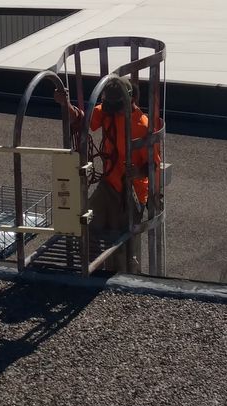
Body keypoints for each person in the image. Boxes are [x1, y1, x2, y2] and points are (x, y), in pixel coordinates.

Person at [55, 78, 158, 273]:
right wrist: (65, 104)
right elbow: (82, 121)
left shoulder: (142, 125)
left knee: (121, 242)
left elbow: (153, 165)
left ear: (130, 100)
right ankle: (94, 271)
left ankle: (120, 279)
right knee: (88, 226)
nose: (112, 111)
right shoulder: (107, 112)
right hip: (109, 185)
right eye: (109, 106)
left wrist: (137, 172)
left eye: (116, 106)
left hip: (132, 192)